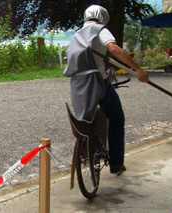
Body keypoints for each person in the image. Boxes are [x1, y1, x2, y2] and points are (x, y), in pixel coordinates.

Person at [63, 5, 149, 174]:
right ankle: (116, 163)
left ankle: (90, 147)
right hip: (97, 82)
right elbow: (114, 49)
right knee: (117, 118)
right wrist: (138, 69)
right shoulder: (100, 30)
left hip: (78, 86)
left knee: (86, 119)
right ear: (103, 18)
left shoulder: (76, 35)